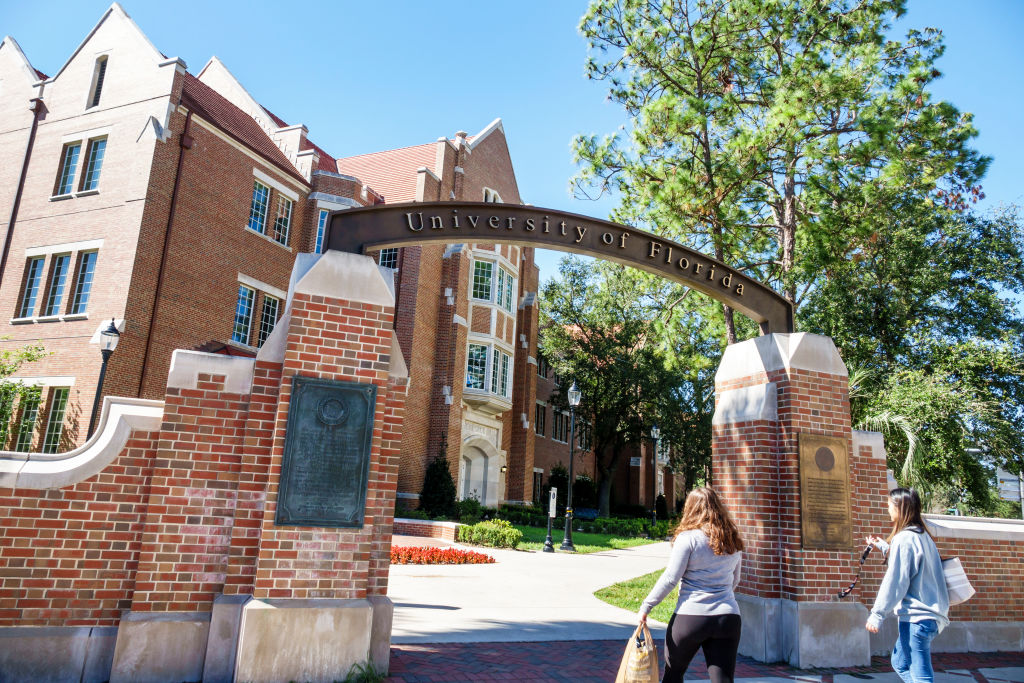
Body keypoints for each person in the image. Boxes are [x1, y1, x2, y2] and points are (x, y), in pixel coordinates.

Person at [638, 487, 743, 683]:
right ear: (718, 507)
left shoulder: (688, 539)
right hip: (728, 617)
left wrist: (647, 606)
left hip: (691, 617)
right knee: (723, 680)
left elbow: (671, 578)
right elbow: (735, 580)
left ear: (690, 508)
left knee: (673, 675)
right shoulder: (732, 538)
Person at [865, 488, 950, 683]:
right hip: (931, 617)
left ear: (900, 507)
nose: (887, 510)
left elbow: (896, 580)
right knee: (900, 663)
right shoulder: (923, 536)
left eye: (889, 506)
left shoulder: (904, 538)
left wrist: (877, 614)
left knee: (921, 677)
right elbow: (912, 563)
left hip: (916, 619)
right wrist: (885, 547)